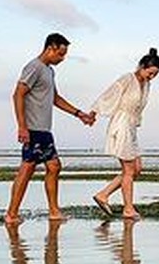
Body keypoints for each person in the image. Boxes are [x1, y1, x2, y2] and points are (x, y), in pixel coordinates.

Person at [5, 32, 93, 224]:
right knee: (27, 170)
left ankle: (54, 211)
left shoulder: (49, 71)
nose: (63, 58)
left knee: (54, 166)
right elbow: (17, 94)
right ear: (50, 47)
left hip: (44, 130)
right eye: (61, 54)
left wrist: (79, 114)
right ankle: (11, 214)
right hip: (33, 129)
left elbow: (55, 98)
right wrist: (22, 127)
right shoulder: (34, 67)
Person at [89, 47, 159, 221]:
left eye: (155, 75)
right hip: (121, 124)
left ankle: (103, 194)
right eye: (150, 73)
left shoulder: (146, 84)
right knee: (129, 170)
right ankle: (128, 209)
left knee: (137, 169)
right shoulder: (127, 79)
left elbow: (138, 109)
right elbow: (109, 94)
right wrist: (94, 112)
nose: (151, 77)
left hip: (131, 127)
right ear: (142, 66)